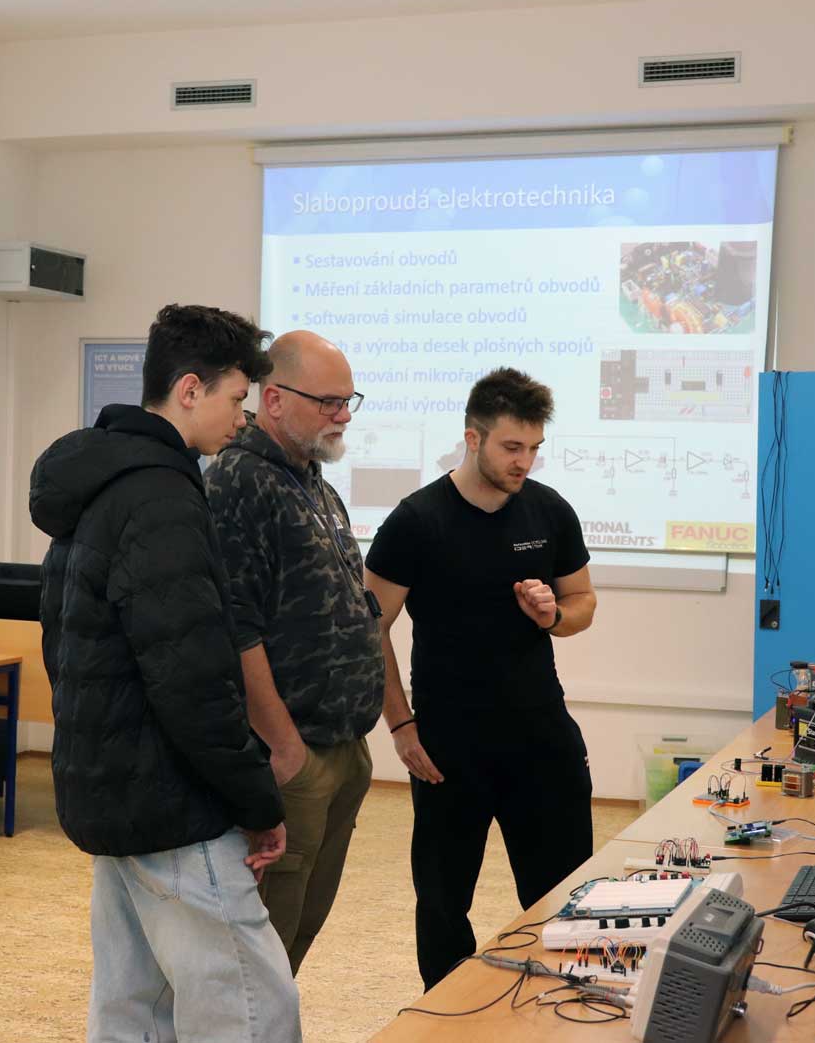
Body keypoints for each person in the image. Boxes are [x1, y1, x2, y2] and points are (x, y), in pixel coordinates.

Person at [30, 304, 301, 1043]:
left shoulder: (102, 483)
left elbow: (61, 640)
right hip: (173, 803)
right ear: (189, 390)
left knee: (135, 1008)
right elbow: (193, 680)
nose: (243, 418)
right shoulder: (162, 499)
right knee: (251, 1009)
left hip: (111, 785)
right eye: (236, 398)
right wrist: (257, 799)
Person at [362, 367, 599, 990]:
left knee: (566, 898)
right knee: (443, 905)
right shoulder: (416, 521)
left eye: (534, 447)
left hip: (541, 736)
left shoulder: (549, 510)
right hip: (449, 746)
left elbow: (583, 603)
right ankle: (443, 1021)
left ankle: (564, 1012)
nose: (524, 461)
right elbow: (369, 629)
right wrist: (400, 725)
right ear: (473, 438)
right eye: (511, 447)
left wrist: (553, 616)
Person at [203, 330, 383, 974]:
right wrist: (284, 749)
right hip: (293, 752)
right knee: (262, 954)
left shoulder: (312, 482)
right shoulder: (240, 481)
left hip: (341, 747)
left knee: (298, 934)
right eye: (329, 401)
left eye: (348, 400)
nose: (343, 415)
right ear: (274, 399)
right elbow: (236, 630)